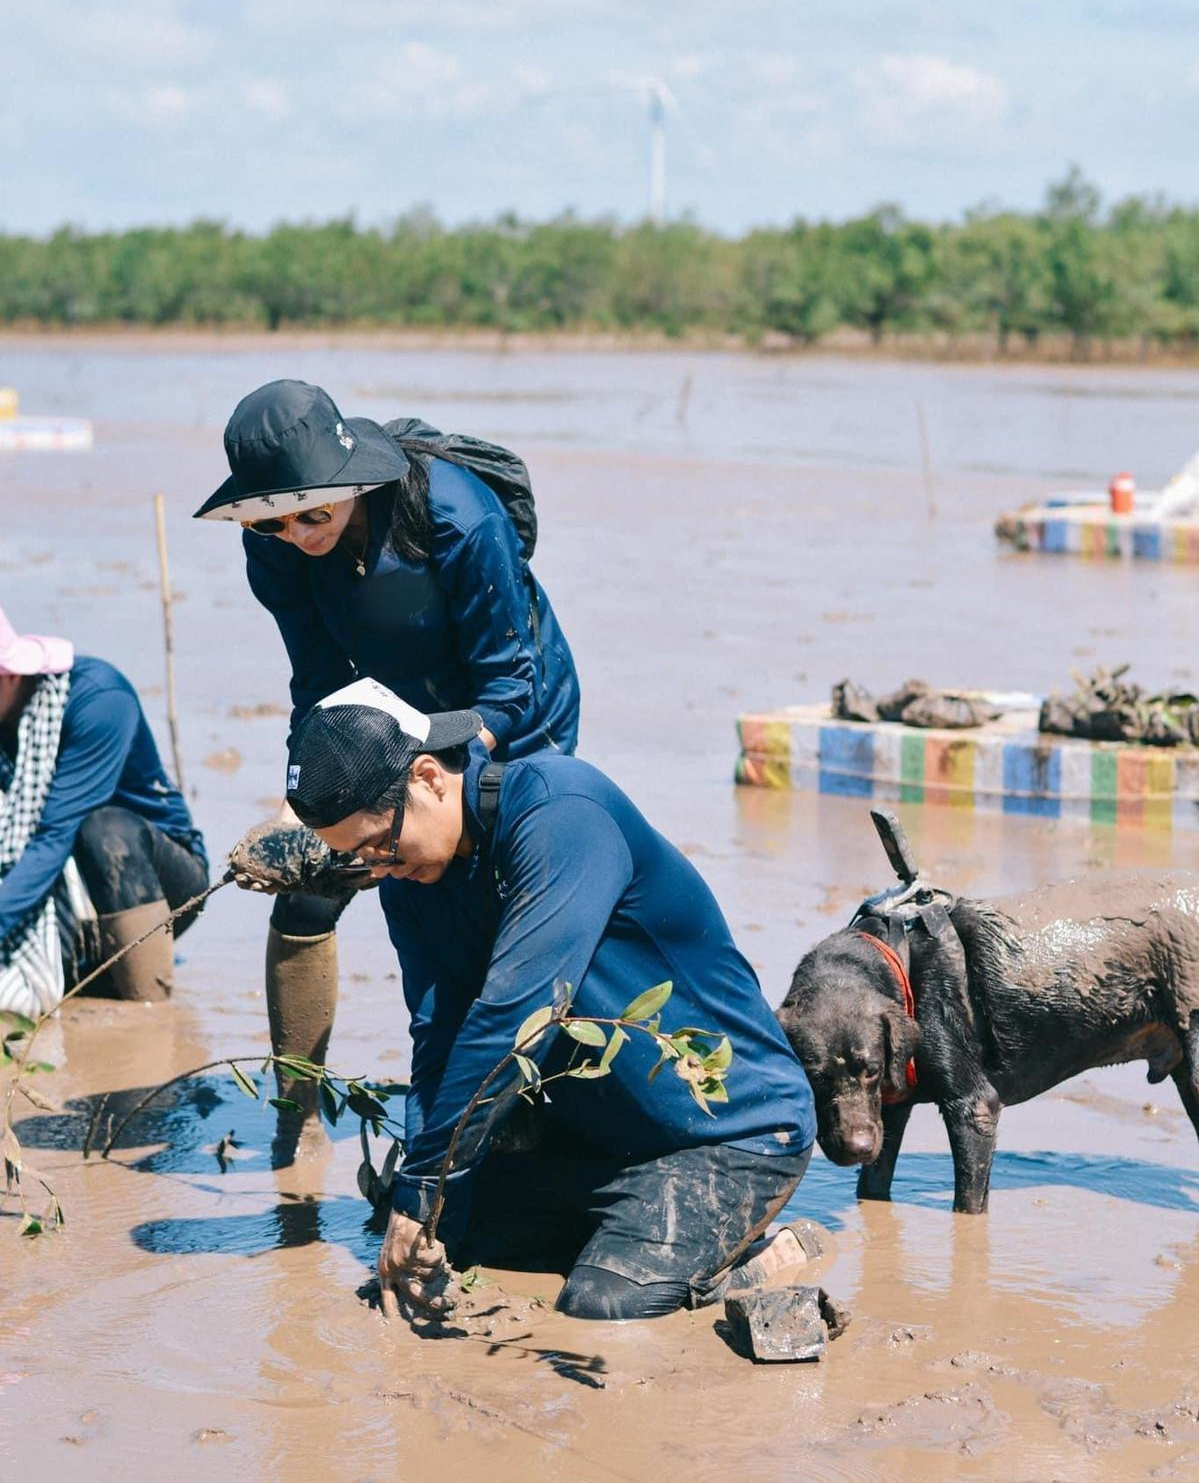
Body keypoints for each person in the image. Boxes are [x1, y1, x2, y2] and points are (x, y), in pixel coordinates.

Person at [283, 677, 817, 1322]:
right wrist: (418, 1205)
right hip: (597, 1136)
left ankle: (752, 1260)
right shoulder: (414, 878)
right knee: (451, 1241)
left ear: (427, 777)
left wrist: (426, 1186)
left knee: (603, 1305)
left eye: (378, 844)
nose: (377, 869)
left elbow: (515, 1017)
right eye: (357, 859)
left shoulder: (562, 812)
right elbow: (439, 1035)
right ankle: (663, 1239)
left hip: (725, 1132)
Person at [195, 379, 581, 1139]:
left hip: (512, 712)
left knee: (478, 897)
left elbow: (510, 689)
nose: (301, 534)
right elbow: (316, 684)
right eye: (276, 520)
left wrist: (418, 763)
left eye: (316, 512)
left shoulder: (457, 516)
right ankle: (296, 1123)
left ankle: (515, 1127)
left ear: (355, 483)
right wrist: (297, 812)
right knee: (316, 886)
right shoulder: (273, 549)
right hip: (392, 715)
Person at [0, 607, 208, 1017]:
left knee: (105, 829)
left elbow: (53, 836)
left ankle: (146, 997)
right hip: (58, 886)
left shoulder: (98, 700)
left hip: (151, 881)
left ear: (8, 673)